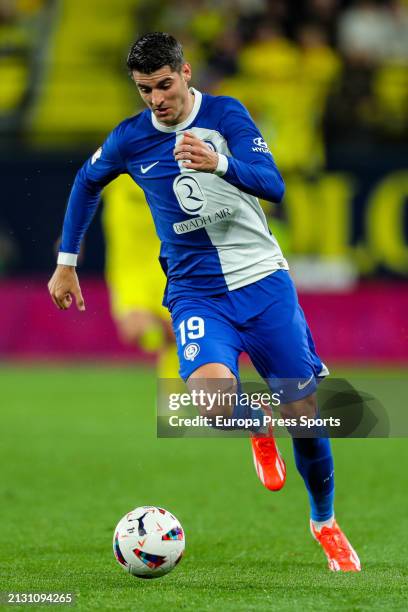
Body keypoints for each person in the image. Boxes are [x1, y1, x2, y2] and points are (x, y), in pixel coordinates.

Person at [48, 32, 360, 572]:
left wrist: (219, 164)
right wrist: (66, 262)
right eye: (145, 89)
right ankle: (255, 424)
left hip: (263, 282)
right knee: (212, 402)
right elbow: (85, 181)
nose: (156, 99)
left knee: (306, 416)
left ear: (186, 73)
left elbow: (274, 185)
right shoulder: (130, 139)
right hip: (196, 294)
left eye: (164, 85)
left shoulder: (226, 115)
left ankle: (325, 522)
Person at [102, 174, 179, 378]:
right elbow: (84, 191)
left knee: (179, 332)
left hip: (168, 262)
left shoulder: (175, 164)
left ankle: (176, 395)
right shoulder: (116, 158)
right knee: (133, 330)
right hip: (128, 267)